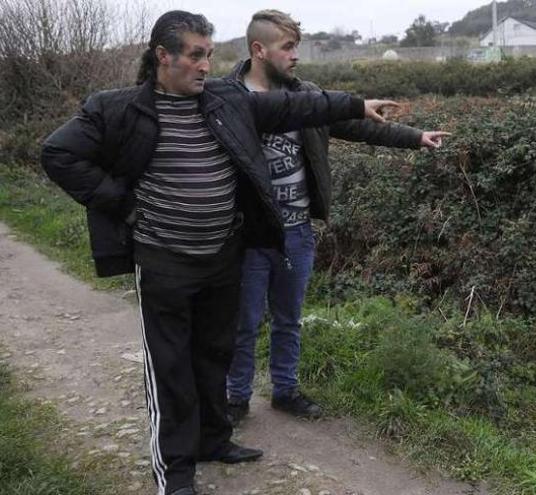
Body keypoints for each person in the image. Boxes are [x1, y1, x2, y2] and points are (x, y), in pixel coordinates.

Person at [40, 10, 397, 495]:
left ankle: (214, 439)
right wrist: (117, 202)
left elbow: (299, 108)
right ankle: (176, 474)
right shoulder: (117, 109)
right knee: (170, 368)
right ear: (163, 56)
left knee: (214, 355)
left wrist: (355, 104)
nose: (205, 66)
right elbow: (57, 153)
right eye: (194, 55)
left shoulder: (228, 101)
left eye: (208, 54)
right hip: (164, 260)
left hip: (222, 258)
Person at [224, 10, 449, 423]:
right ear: (259, 50)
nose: (296, 55)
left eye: (296, 46)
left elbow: (361, 127)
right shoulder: (227, 99)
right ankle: (235, 398)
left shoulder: (307, 97)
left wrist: (416, 137)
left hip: (297, 230)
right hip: (247, 234)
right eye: (287, 47)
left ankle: (285, 390)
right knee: (244, 320)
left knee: (288, 317)